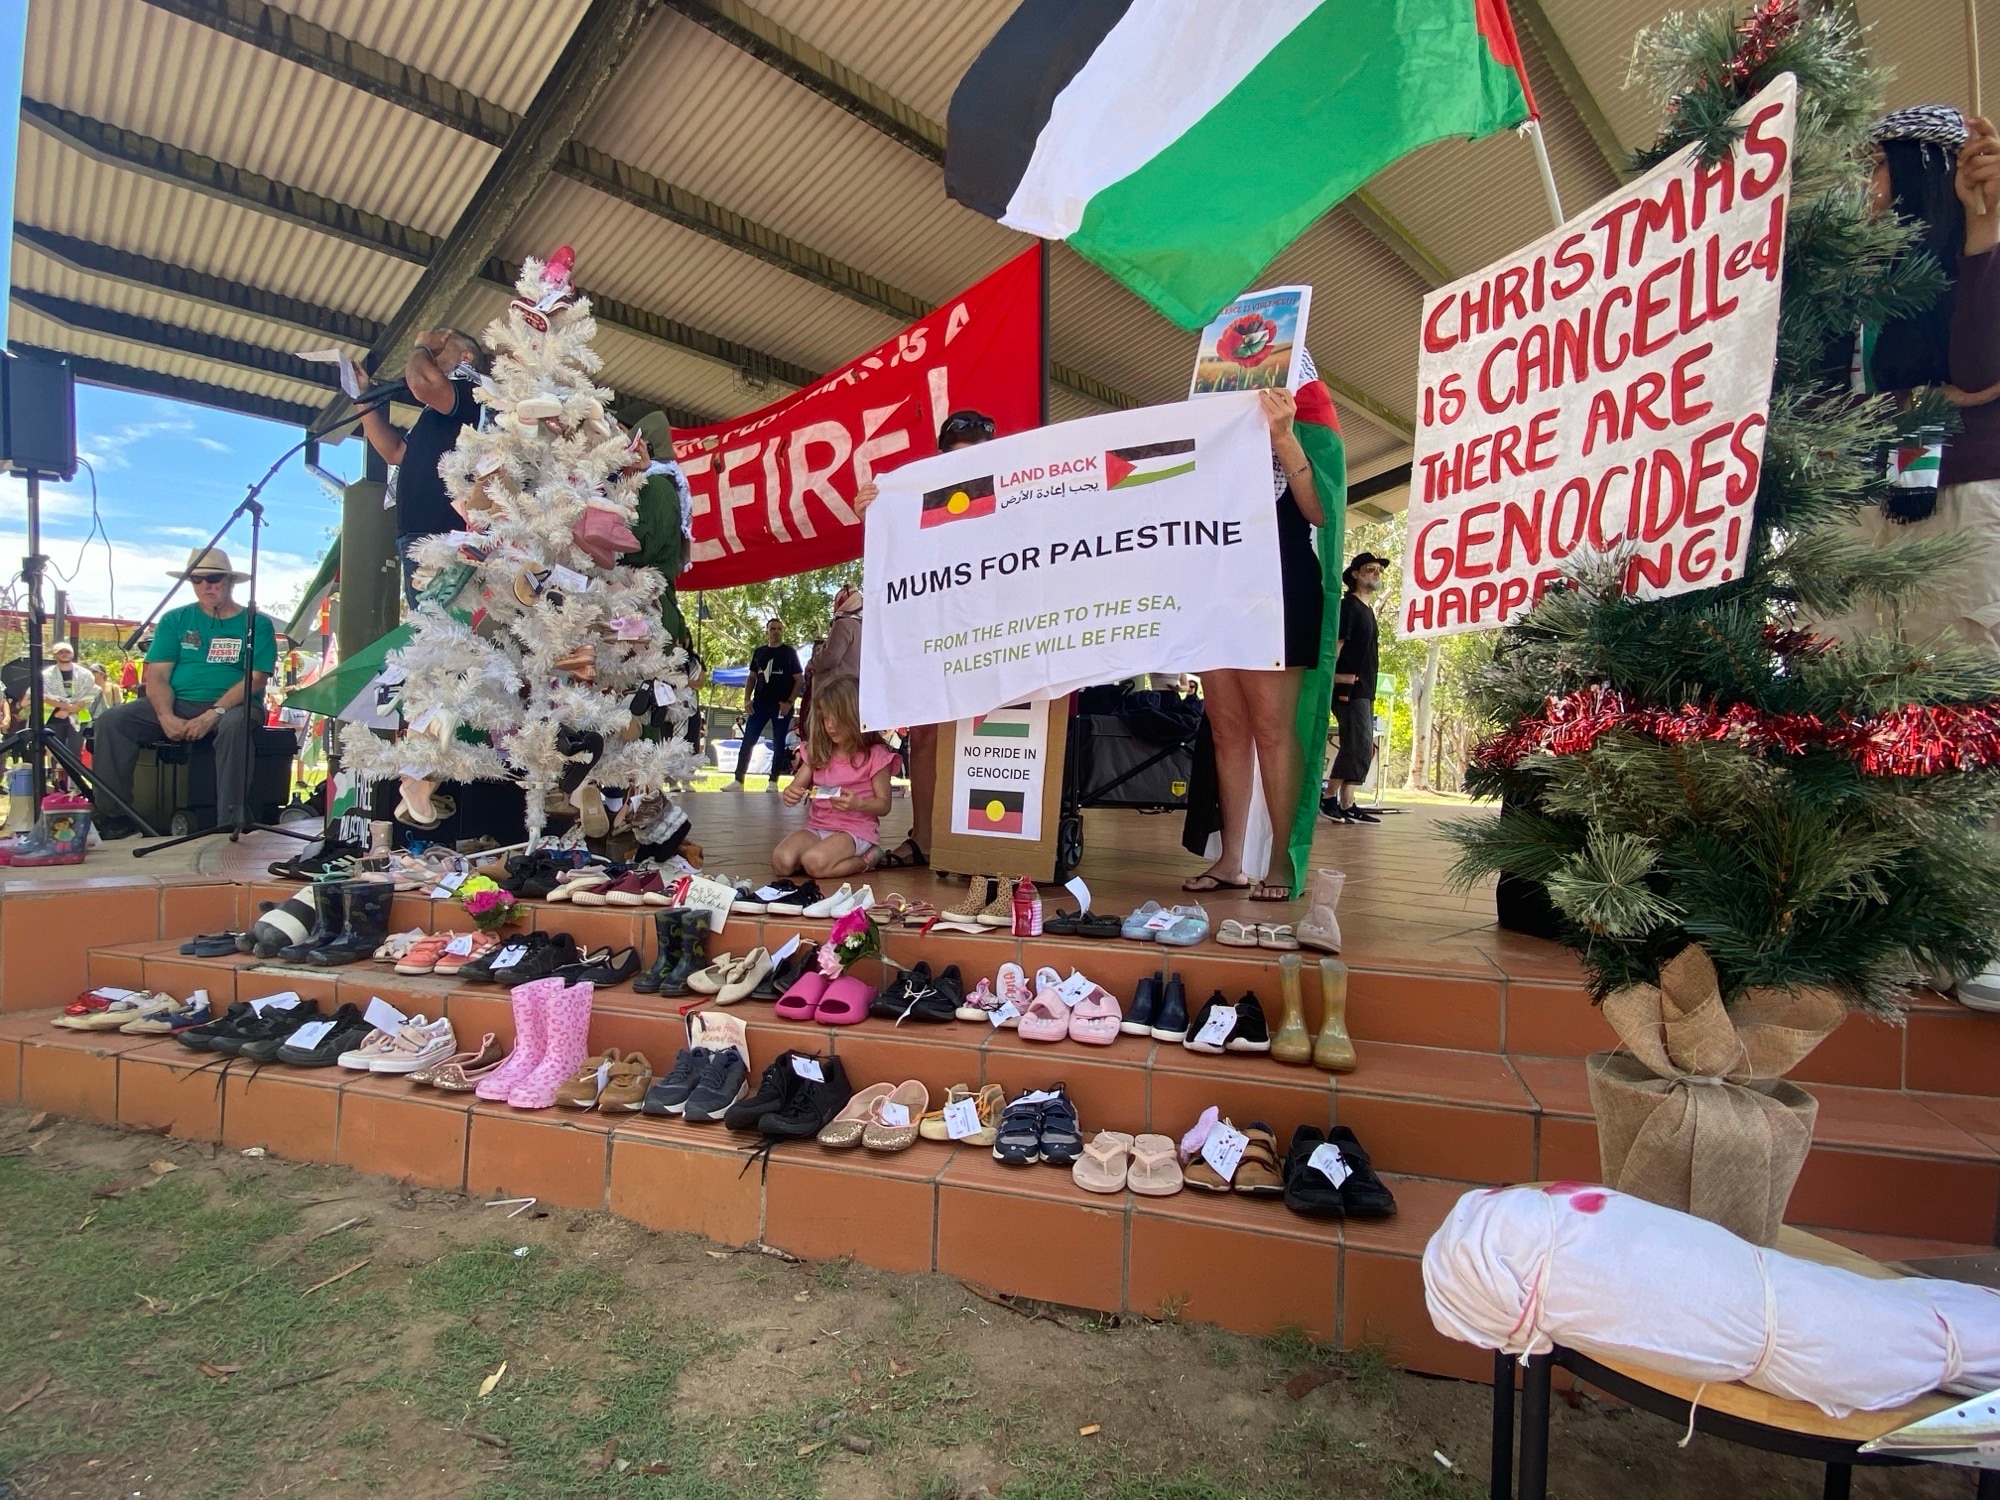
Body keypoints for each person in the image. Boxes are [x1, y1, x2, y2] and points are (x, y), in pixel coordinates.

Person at [1181, 387, 1328, 901]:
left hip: (1281, 585)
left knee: (1271, 727)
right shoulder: (1206, 421)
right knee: (1227, 730)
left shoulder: (1305, 420)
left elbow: (1319, 512)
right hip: (1216, 587)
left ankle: (1284, 861)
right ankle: (1232, 860)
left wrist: (1283, 435)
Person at [853, 408, 999, 867]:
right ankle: (926, 837)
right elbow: (894, 551)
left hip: (992, 630)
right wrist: (873, 513)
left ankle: (987, 838)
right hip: (932, 628)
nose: (963, 464)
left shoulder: (1013, 491)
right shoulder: (922, 496)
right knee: (927, 736)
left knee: (984, 734)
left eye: (973, 454)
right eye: (954, 455)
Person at [92, 548, 277, 838]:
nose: (206, 586)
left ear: (229, 581)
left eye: (214, 578)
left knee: (233, 727)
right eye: (197, 579)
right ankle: (114, 817)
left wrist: (213, 713)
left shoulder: (257, 623)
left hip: (235, 705)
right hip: (179, 701)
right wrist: (165, 715)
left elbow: (255, 678)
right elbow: (157, 674)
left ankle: (229, 821)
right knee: (112, 721)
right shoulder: (174, 619)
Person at [353, 328, 488, 609]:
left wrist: (423, 345)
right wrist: (362, 398)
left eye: (440, 350)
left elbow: (424, 383)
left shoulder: (472, 391)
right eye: (432, 350)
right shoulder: (433, 415)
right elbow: (395, 452)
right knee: (429, 634)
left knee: (445, 632)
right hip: (415, 533)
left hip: (447, 533)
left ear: (466, 357)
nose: (430, 354)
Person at [773, 675, 897, 880]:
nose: (829, 726)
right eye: (825, 718)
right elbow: (795, 788)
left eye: (836, 719)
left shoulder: (876, 755)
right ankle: (822, 855)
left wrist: (858, 804)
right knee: (781, 861)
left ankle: (868, 858)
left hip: (855, 832)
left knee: (815, 864)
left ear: (856, 717)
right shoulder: (818, 752)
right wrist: (790, 794)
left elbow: (884, 805)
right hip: (817, 828)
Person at [1322, 553, 1388, 824]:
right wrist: (1332, 678)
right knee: (1358, 744)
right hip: (1348, 687)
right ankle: (1329, 798)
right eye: (1369, 569)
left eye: (1378, 571)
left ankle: (1347, 801)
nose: (1375, 574)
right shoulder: (1348, 606)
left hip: (1365, 688)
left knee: (1362, 746)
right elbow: (1336, 645)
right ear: (1355, 575)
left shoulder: (1367, 609)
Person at [732, 617, 802, 789]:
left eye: (779, 628)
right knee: (748, 740)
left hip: (781, 705)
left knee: (779, 742)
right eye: (772, 629)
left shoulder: (789, 653)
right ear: (767, 631)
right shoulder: (759, 652)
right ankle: (738, 780)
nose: (776, 631)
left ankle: (773, 781)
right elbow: (752, 677)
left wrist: (789, 702)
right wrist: (747, 699)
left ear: (782, 631)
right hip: (760, 704)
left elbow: (799, 680)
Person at [40, 640, 99, 771]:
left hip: (78, 719)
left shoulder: (85, 674)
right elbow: (44, 695)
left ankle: (74, 786)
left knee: (74, 752)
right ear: (54, 655)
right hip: (54, 718)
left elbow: (91, 693)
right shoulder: (46, 675)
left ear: (72, 653)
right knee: (56, 752)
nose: (64, 654)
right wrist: (66, 707)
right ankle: (59, 785)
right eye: (60, 652)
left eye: (67, 651)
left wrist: (70, 709)